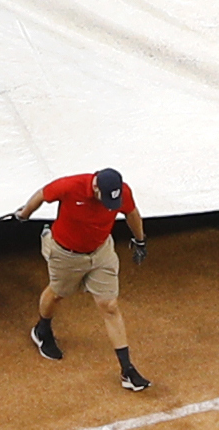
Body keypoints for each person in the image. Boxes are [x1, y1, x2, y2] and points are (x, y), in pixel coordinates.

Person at [10, 168, 151, 392]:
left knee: (109, 305)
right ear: (95, 187)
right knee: (57, 294)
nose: (109, 206)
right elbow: (42, 194)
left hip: (101, 252)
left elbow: (131, 213)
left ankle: (127, 370)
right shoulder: (70, 186)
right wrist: (24, 214)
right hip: (66, 254)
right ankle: (42, 330)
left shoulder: (121, 192)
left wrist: (140, 240)